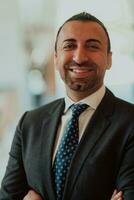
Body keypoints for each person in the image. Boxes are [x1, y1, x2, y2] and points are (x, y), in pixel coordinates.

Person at [0, 11, 134, 200]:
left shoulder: (129, 123)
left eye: (92, 46)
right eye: (69, 45)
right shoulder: (29, 123)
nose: (79, 57)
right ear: (56, 58)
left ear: (109, 59)